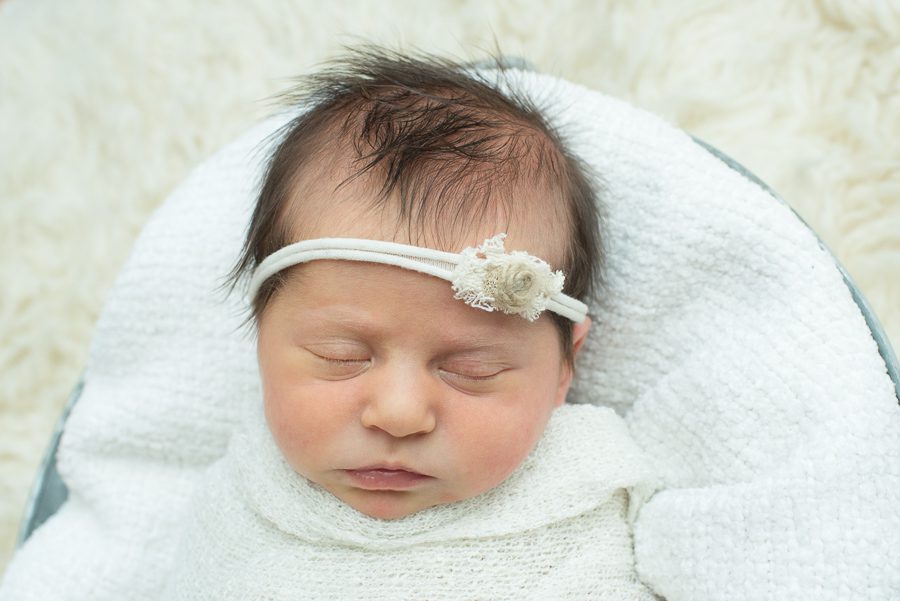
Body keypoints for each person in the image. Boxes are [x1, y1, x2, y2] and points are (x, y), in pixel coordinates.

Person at [163, 48, 660, 600]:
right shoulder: (238, 499)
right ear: (262, 342)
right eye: (340, 356)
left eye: (473, 368)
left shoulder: (589, 484)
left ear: (565, 369)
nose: (399, 416)